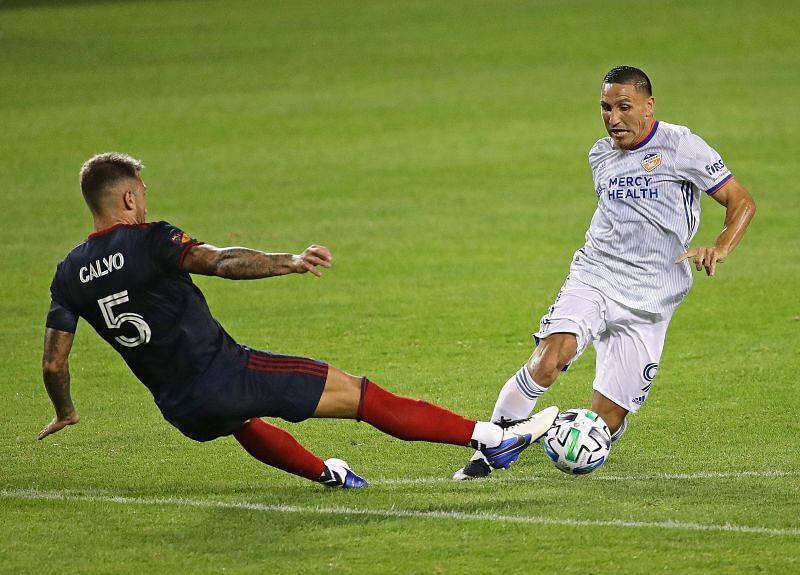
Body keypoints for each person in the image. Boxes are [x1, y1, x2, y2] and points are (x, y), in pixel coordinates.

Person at [39, 152, 559, 488]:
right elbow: (219, 261)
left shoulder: (68, 273)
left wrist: (65, 411)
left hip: (180, 408)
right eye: (143, 194)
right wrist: (285, 260)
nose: (146, 202)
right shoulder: (151, 238)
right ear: (129, 197)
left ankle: (330, 475)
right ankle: (491, 439)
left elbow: (54, 361)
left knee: (241, 421)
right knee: (361, 396)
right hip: (227, 374)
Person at [454, 65, 756, 480]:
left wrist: (720, 247)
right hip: (596, 275)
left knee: (606, 423)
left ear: (649, 106)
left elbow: (741, 201)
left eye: (623, 107)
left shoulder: (682, 146)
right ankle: (487, 454)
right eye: (605, 108)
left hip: (653, 297)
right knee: (549, 358)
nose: (613, 118)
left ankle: (577, 432)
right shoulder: (601, 155)